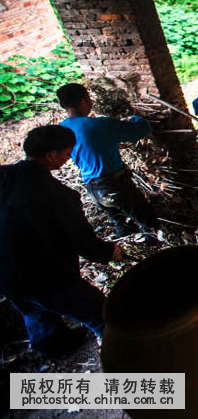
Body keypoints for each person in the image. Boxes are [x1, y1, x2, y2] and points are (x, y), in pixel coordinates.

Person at [0, 126, 124, 357]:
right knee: (100, 312)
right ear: (51, 155)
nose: (69, 158)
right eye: (67, 153)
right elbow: (81, 239)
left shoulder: (3, 176)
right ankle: (123, 356)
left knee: (34, 310)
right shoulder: (57, 195)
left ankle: (54, 347)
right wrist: (108, 252)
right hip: (43, 274)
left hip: (5, 274)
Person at [57, 83, 160, 237]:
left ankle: (128, 252)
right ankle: (156, 248)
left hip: (92, 188)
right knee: (149, 222)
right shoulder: (100, 125)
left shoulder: (62, 129)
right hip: (115, 185)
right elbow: (141, 130)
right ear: (84, 100)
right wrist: (136, 118)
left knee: (122, 223)